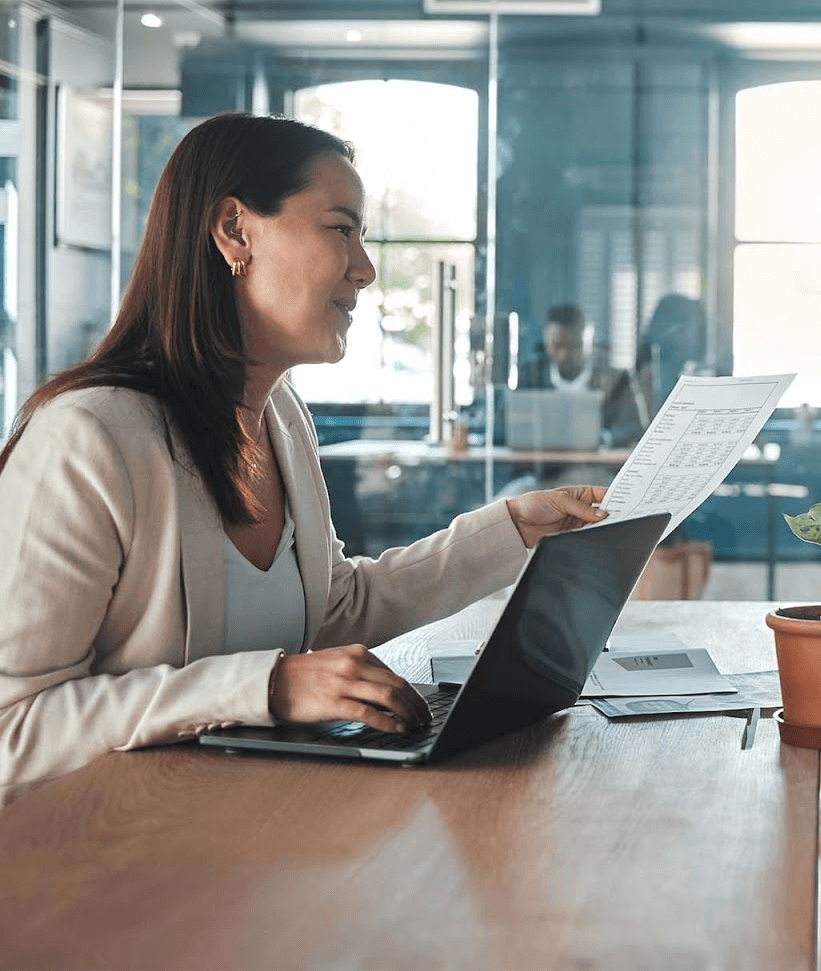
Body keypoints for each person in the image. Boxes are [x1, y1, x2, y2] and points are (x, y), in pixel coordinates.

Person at [0, 112, 607, 802]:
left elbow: (334, 610)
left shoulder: (282, 420)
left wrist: (514, 530)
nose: (367, 269)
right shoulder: (87, 440)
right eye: (341, 229)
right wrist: (268, 687)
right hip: (104, 865)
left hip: (246, 832)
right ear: (235, 232)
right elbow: (12, 731)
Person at [520, 303, 642, 447]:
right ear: (546, 343)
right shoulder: (530, 375)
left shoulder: (615, 379)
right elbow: (506, 423)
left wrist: (602, 438)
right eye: (557, 345)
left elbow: (634, 429)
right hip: (541, 465)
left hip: (595, 465)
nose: (564, 354)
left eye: (574, 346)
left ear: (587, 342)